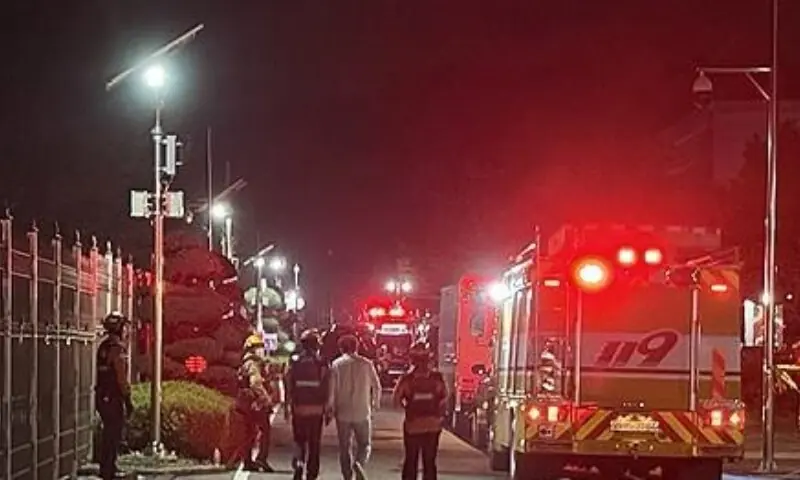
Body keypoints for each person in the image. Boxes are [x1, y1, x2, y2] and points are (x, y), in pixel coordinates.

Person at [329, 334, 381, 480]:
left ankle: (347, 476)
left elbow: (332, 389)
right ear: (357, 347)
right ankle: (359, 463)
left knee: (344, 447)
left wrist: (330, 407)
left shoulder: (336, 364)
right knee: (364, 444)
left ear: (341, 348)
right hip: (362, 410)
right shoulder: (367, 363)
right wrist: (375, 404)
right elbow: (376, 385)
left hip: (343, 411)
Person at [393, 341, 447, 480]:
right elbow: (444, 397)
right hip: (433, 425)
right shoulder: (437, 378)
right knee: (429, 462)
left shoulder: (407, 379)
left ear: (412, 360)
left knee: (411, 460)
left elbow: (396, 400)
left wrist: (408, 408)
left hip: (413, 426)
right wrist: (438, 415)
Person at [222, 333, 277, 472]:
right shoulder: (253, 363)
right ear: (250, 349)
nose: (260, 349)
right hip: (255, 403)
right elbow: (256, 384)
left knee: (249, 432)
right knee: (265, 430)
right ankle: (261, 459)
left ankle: (247, 461)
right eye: (257, 347)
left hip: (245, 403)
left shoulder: (245, 362)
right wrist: (266, 400)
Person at [285, 329, 330, 480]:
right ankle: (312, 473)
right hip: (317, 410)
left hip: (299, 409)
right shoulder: (322, 362)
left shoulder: (295, 361)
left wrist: (287, 405)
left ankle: (298, 464)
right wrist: (328, 408)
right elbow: (326, 385)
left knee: (299, 440)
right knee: (314, 443)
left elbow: (289, 384)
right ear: (317, 345)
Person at [95, 311, 134, 480]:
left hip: (102, 395)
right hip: (113, 397)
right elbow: (121, 376)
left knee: (109, 433)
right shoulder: (117, 348)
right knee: (113, 433)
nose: (126, 331)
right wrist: (127, 398)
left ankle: (107, 468)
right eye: (124, 327)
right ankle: (109, 470)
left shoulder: (103, 346)